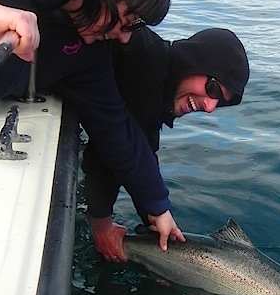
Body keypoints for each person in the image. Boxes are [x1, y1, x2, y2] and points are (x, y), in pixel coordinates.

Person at [0, 0, 185, 251]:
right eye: (128, 22)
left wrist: (157, 205)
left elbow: (114, 125)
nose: (124, 38)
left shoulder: (88, 55)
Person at [82, 26, 250, 261]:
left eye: (220, 102)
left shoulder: (158, 91)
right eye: (212, 88)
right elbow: (110, 147)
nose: (210, 107)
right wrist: (102, 227)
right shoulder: (145, 66)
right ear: (194, 61)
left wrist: (154, 220)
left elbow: (143, 152)